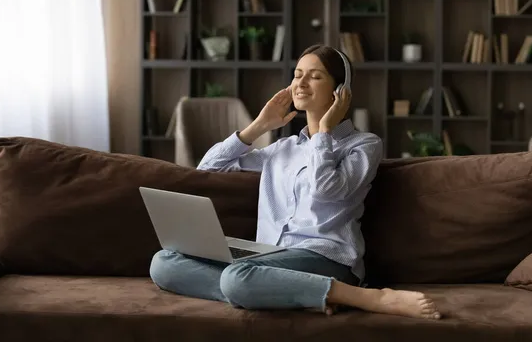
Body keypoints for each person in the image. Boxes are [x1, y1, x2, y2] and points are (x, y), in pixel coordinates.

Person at [148, 44, 441, 320]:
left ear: (340, 91)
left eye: (314, 76)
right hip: (267, 257)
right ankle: (292, 294)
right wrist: (258, 126)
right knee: (164, 263)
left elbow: (327, 190)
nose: (300, 84)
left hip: (324, 258)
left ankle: (366, 298)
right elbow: (207, 170)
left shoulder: (363, 145)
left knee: (237, 278)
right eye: (297, 75)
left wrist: (323, 131)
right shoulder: (283, 147)